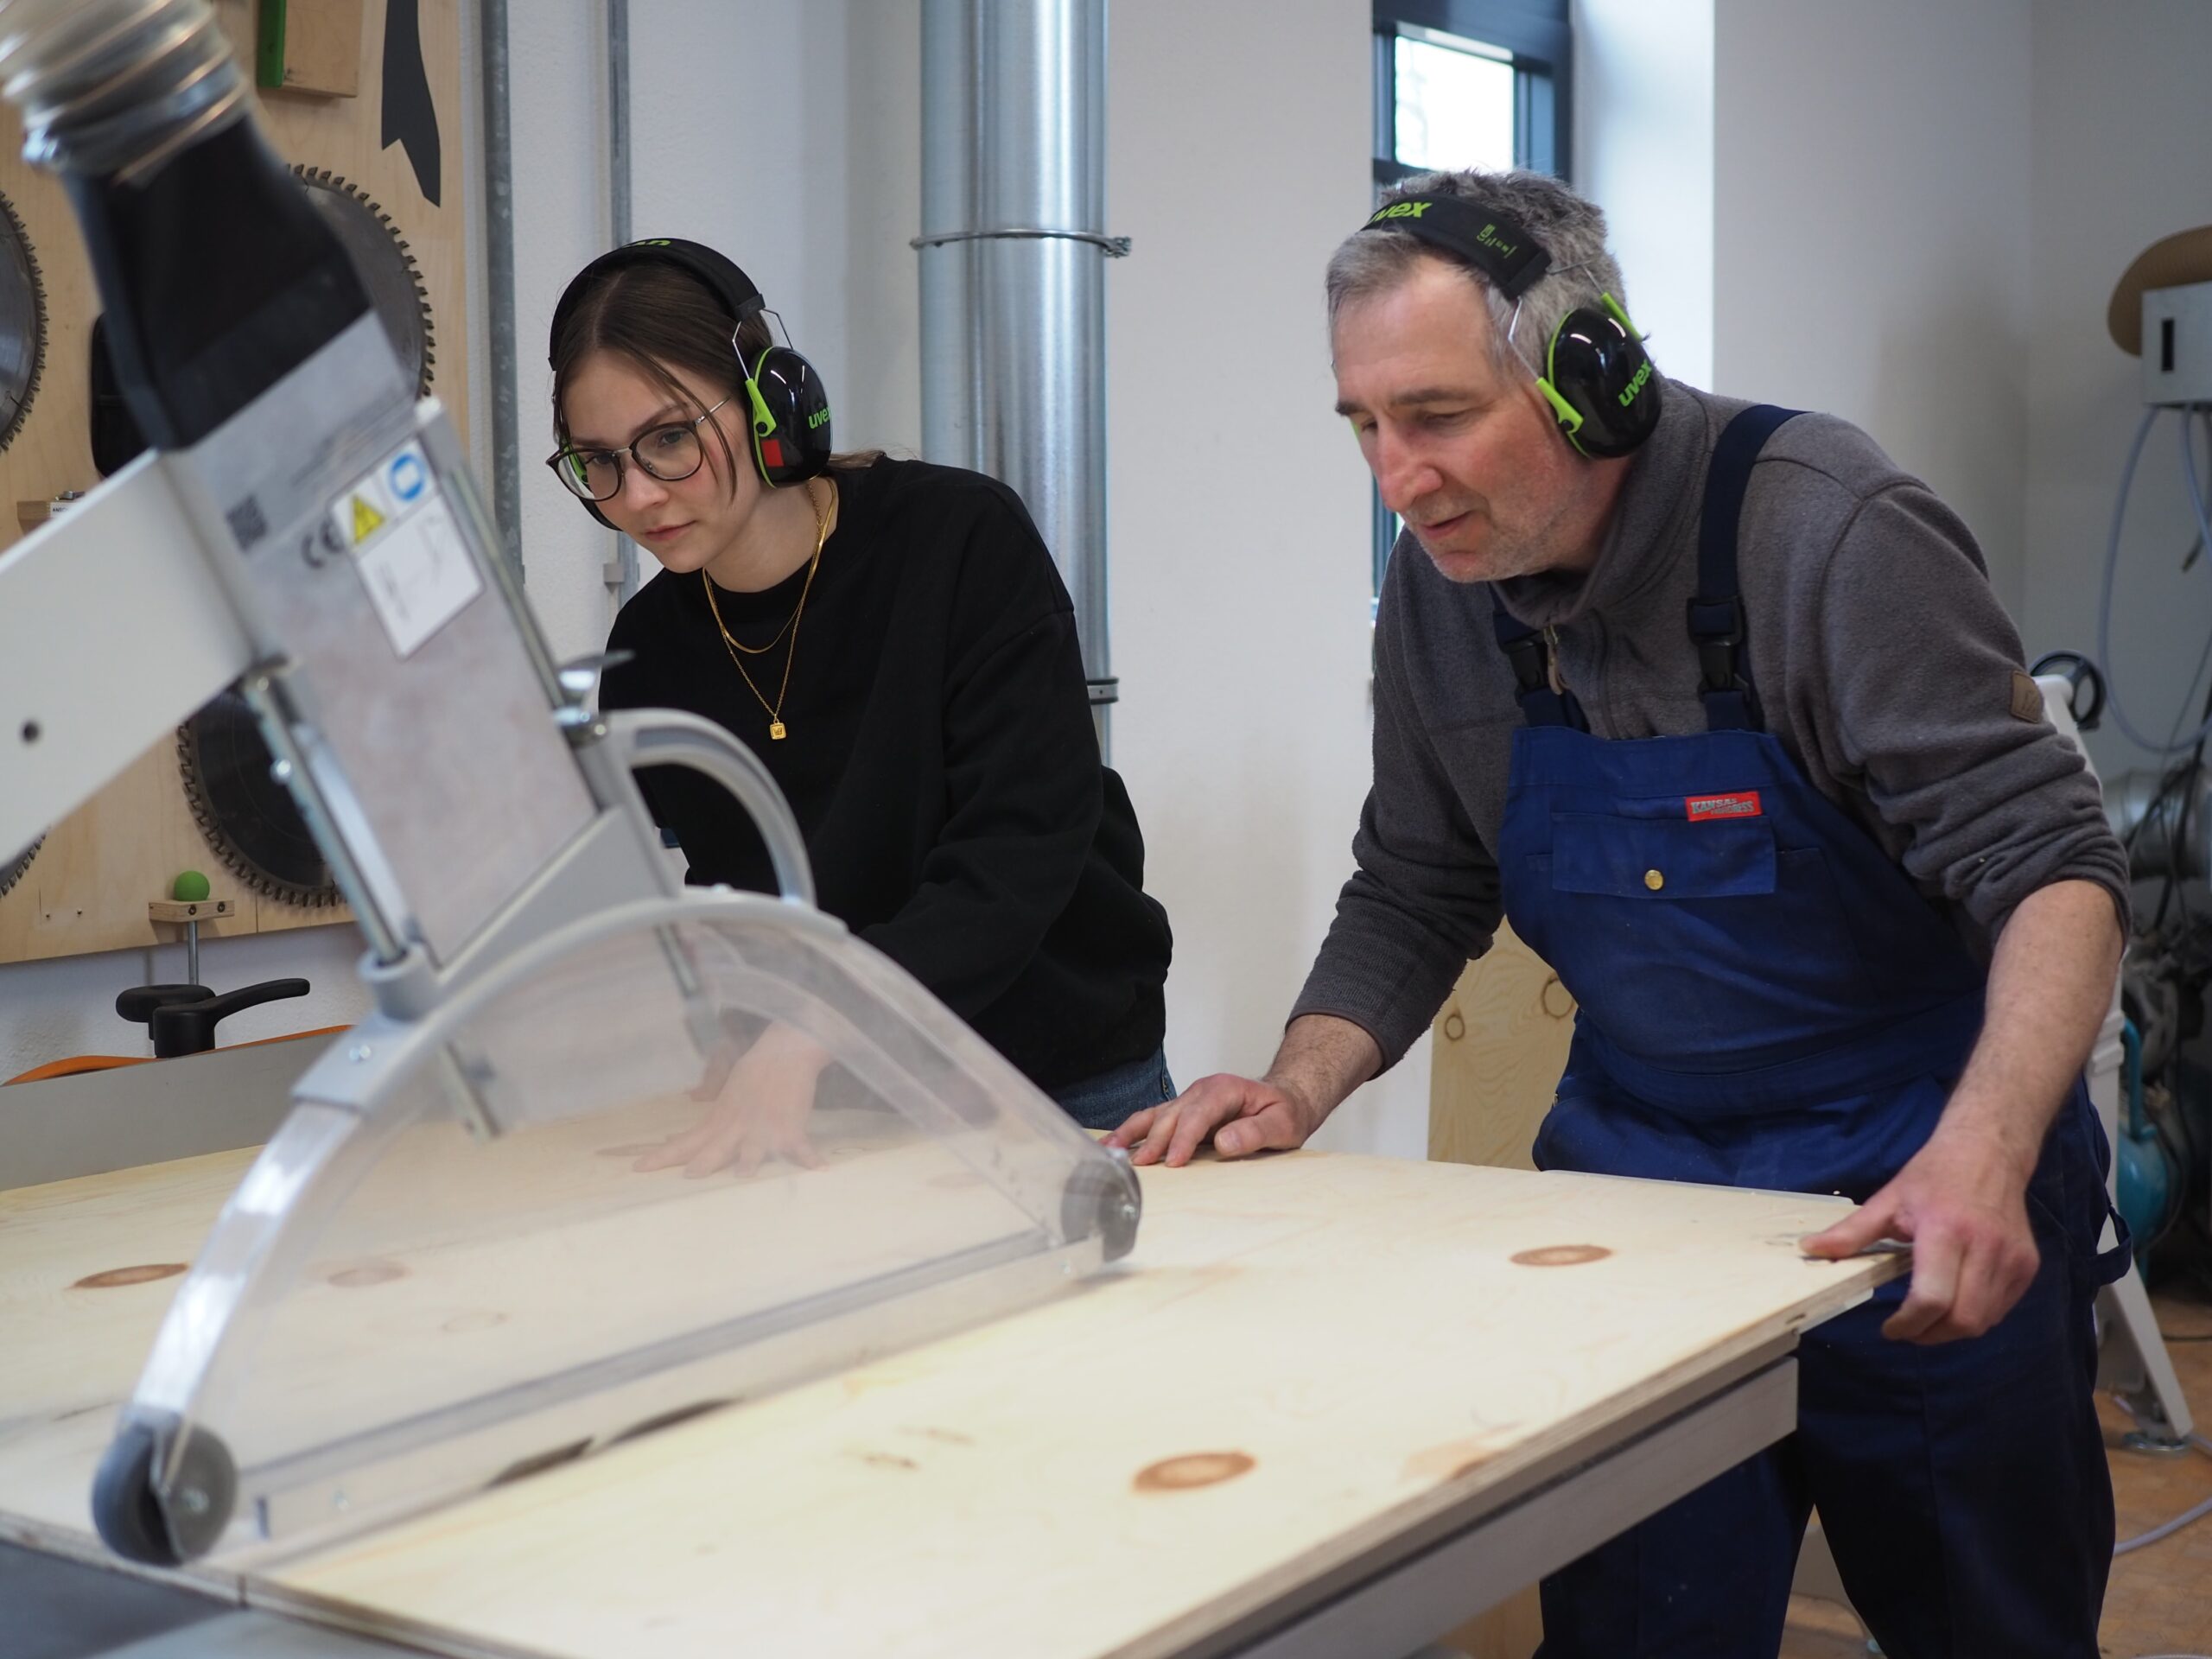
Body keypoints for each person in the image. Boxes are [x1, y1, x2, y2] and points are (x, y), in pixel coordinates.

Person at [1110, 170, 2131, 1656]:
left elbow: (2054, 869)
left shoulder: (1827, 536)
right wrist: (1295, 1085)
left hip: (1916, 1177)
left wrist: (1981, 1156)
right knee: (1635, 1627)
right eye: (1365, 426)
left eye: (1437, 416)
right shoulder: (1443, 587)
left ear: (1595, 380)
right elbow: (1420, 876)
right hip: (1637, 1194)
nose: (1397, 477)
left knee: (1987, 1621)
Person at [547, 238, 1173, 1168]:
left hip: (1060, 1075)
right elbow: (737, 890)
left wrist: (808, 1027)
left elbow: (1017, 852)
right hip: (851, 1099)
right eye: (598, 461)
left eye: (670, 437)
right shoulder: (648, 649)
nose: (637, 495)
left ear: (771, 405)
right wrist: (735, 1023)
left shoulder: (958, 541)